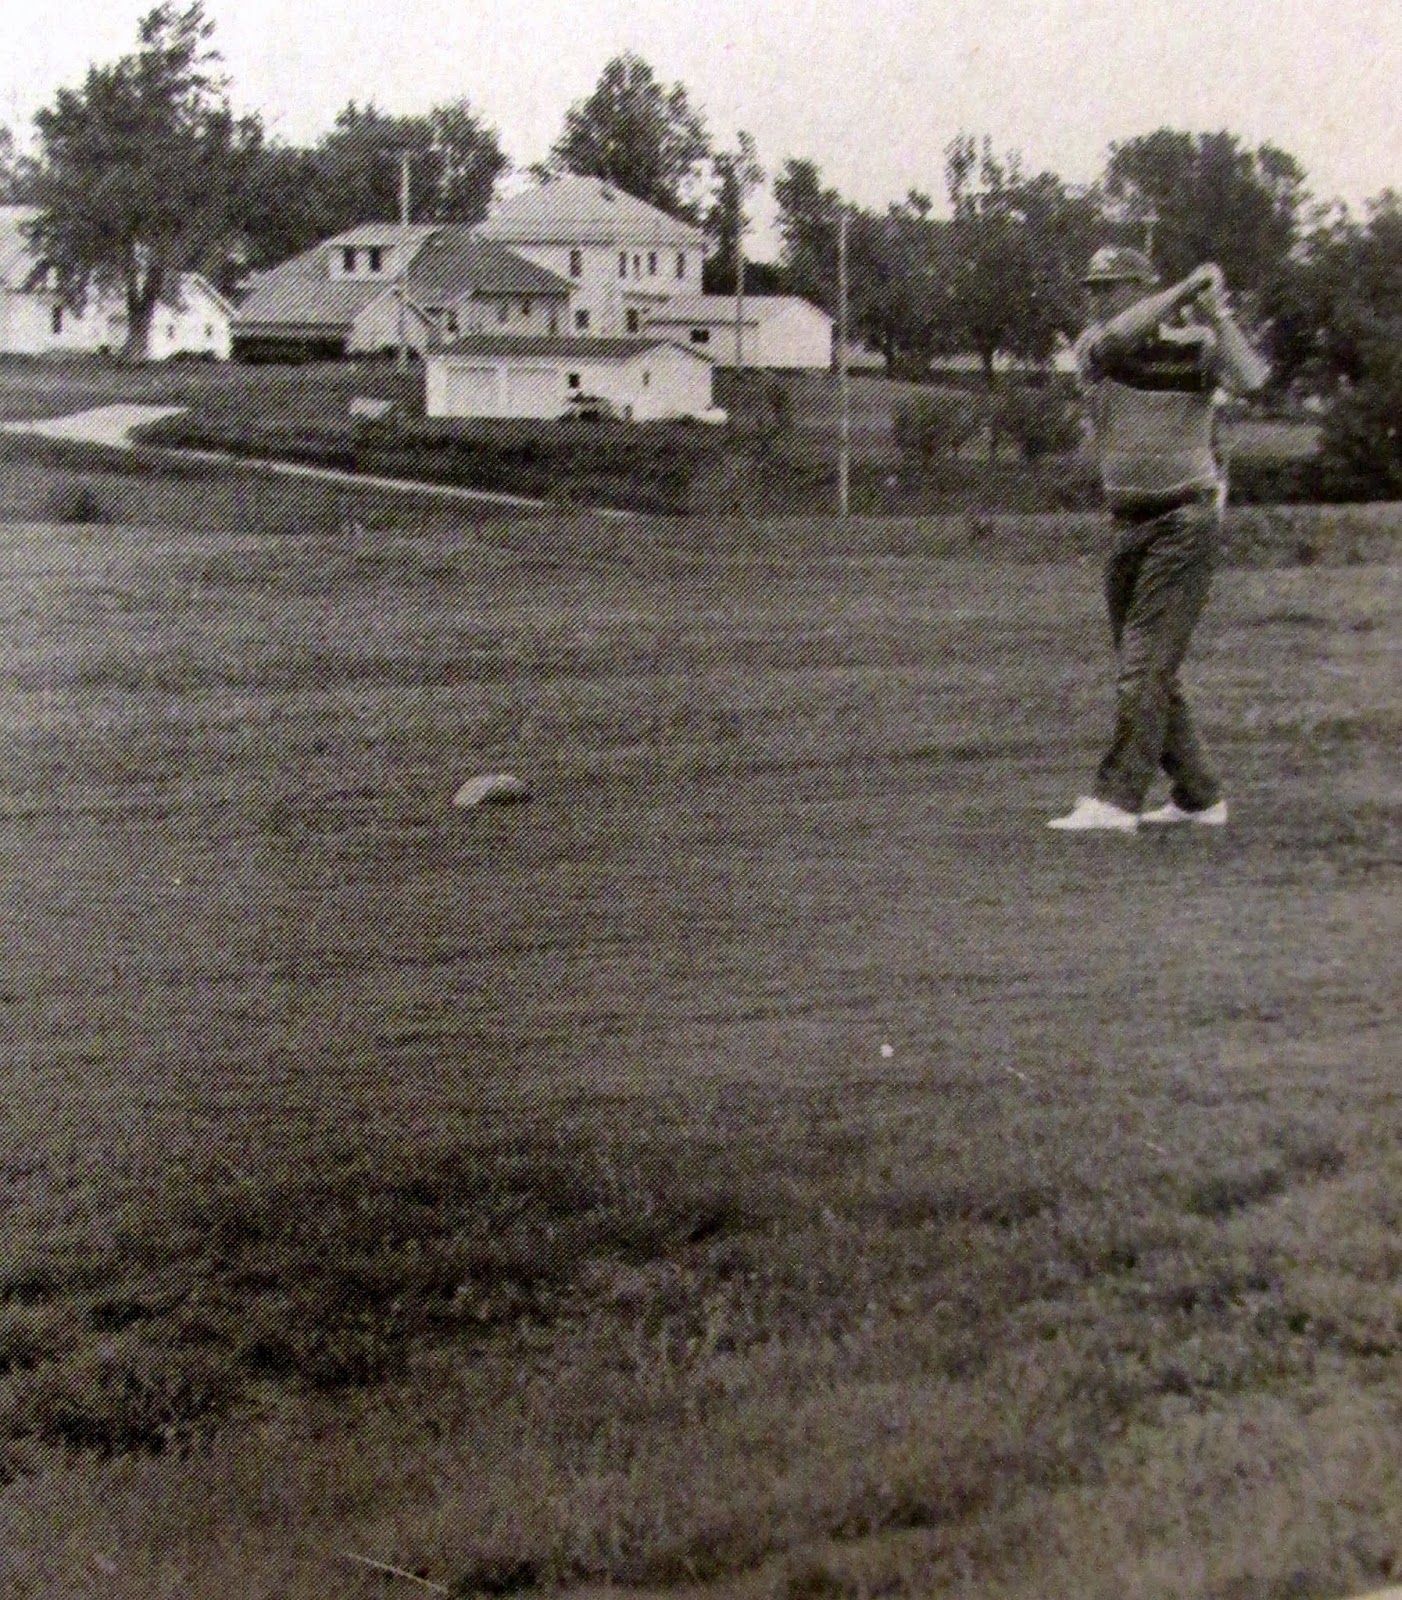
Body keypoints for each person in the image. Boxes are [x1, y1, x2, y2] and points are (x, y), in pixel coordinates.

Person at [1048, 246, 1270, 834]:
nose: (1096, 297)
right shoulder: (1097, 346)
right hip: (1127, 523)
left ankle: (1117, 799)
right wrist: (1185, 287)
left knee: (1145, 662)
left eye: (1109, 286)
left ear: (1137, 286)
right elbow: (1123, 334)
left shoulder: (1196, 346)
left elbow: (1251, 379)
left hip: (1185, 519)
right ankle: (1199, 795)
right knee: (1147, 666)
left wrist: (1217, 313)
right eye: (1092, 287)